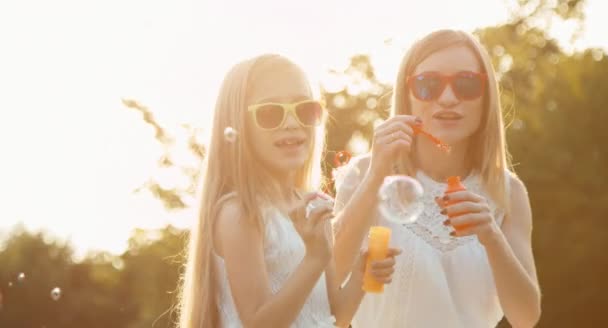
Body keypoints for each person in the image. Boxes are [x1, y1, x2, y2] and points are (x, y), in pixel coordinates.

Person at [332, 29, 541, 327]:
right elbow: (329, 279)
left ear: (486, 98)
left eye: (466, 85)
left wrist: (492, 237)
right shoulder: (364, 174)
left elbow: (526, 317)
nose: (447, 98)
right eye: (428, 85)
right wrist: (377, 173)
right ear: (407, 96)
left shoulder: (507, 191)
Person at [176, 54, 399, 328]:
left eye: (304, 109)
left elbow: (335, 315)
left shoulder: (313, 206)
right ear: (238, 125)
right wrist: (315, 258)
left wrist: (362, 275)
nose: (292, 123)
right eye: (270, 112)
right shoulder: (241, 213)